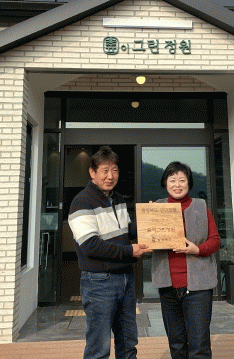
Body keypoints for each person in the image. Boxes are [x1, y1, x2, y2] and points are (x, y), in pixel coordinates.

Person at [68, 146, 151, 359]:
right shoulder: (82, 201)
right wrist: (129, 251)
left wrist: (151, 218)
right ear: (92, 172)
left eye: (114, 170)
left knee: (128, 342)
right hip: (99, 282)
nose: (110, 176)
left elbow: (127, 231)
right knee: (99, 346)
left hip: (126, 279)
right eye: (104, 170)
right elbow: (90, 246)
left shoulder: (118, 198)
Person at [152, 161, 221, 359]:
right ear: (165, 183)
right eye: (172, 180)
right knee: (176, 344)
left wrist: (197, 249)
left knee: (199, 344)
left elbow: (215, 241)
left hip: (198, 287)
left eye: (182, 180)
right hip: (168, 287)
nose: (177, 184)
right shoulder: (157, 208)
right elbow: (147, 240)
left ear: (189, 183)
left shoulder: (200, 206)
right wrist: (149, 221)